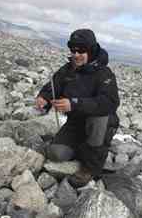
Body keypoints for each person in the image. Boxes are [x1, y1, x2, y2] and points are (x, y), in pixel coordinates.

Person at [35, 28, 120, 187]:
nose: (75, 55)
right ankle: (83, 149)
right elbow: (53, 86)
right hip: (76, 124)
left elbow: (109, 102)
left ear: (91, 50)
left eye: (81, 50)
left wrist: (73, 104)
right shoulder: (68, 69)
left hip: (99, 124)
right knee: (56, 153)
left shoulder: (104, 73)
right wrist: (44, 99)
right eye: (73, 50)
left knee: (99, 116)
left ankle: (90, 167)